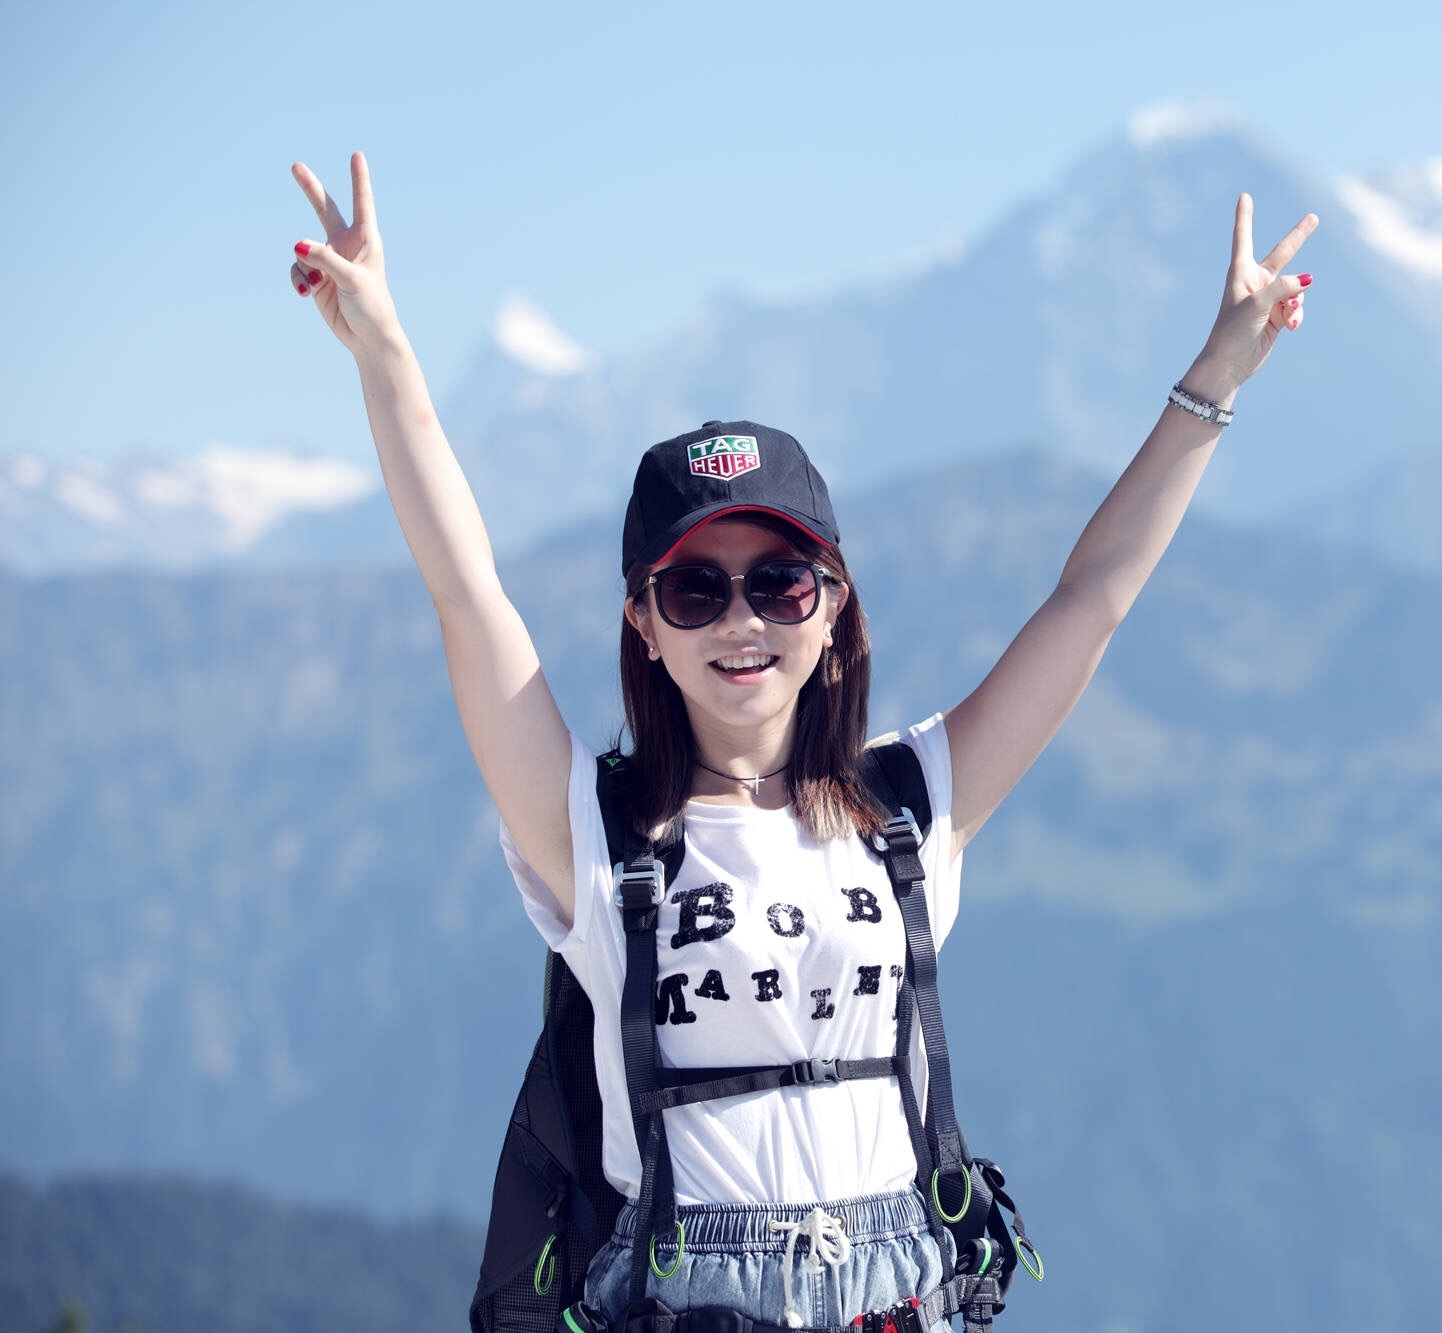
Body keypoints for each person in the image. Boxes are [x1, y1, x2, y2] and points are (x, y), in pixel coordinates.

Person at [289, 150, 1314, 1332]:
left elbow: (1088, 599)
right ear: (642, 622)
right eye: (694, 590)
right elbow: (468, 598)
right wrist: (385, 351)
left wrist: (1216, 374)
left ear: (832, 610)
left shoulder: (912, 807)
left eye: (779, 583)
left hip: (905, 1297)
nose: (739, 620)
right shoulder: (591, 830)